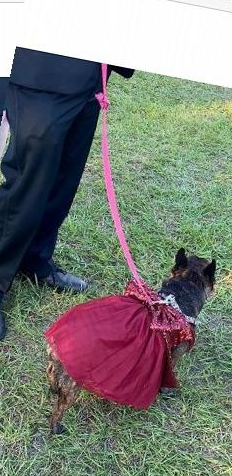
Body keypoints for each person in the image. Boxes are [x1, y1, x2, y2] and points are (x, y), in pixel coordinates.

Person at [0, 47, 134, 340]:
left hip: (91, 76)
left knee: (63, 183)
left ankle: (34, 259)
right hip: (40, 73)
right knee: (27, 184)